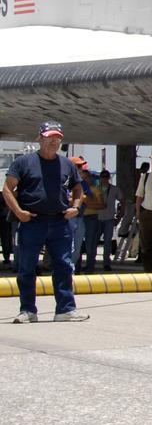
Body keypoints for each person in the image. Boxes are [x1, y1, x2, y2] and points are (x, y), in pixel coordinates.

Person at [3, 121, 89, 323]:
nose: (54, 141)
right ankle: (27, 311)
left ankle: (65, 309)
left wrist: (75, 207)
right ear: (39, 138)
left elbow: (79, 188)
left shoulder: (67, 164)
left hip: (60, 222)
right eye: (50, 137)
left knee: (64, 266)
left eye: (57, 138)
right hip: (32, 221)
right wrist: (18, 212)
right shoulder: (23, 163)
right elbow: (7, 189)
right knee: (27, 267)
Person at [84, 168, 121, 273]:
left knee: (107, 242)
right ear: (100, 178)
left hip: (109, 218)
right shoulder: (96, 189)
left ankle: (106, 263)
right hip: (97, 218)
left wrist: (119, 217)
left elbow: (123, 201)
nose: (104, 179)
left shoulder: (114, 189)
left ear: (109, 178)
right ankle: (91, 263)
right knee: (93, 242)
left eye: (106, 177)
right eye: (102, 177)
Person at [68, 157, 90, 272]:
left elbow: (89, 198)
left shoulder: (82, 183)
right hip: (67, 219)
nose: (81, 169)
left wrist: (77, 198)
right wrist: (79, 198)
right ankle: (66, 271)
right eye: (79, 166)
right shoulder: (64, 180)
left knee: (77, 248)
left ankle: (70, 270)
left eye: (81, 166)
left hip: (80, 218)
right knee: (68, 247)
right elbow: (66, 199)